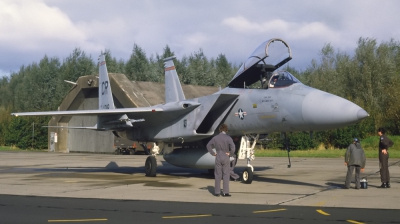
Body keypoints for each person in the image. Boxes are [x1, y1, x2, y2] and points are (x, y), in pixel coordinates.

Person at [206, 124, 236, 197]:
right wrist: (230, 153)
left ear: (220, 130)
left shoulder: (215, 138)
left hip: (218, 156)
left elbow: (208, 146)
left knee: (218, 175)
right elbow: (233, 148)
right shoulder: (228, 138)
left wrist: (213, 153)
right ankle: (226, 192)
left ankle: (217, 192)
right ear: (226, 130)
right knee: (226, 174)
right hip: (226, 157)